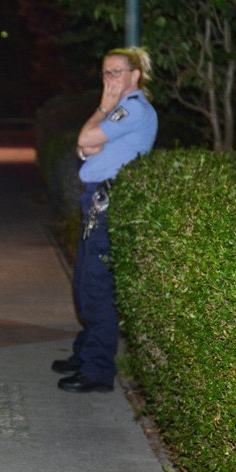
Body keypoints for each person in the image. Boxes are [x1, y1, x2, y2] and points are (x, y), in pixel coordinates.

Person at [53, 47, 158, 393]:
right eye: (105, 73)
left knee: (96, 287)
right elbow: (84, 150)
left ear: (135, 75)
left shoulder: (130, 109)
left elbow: (85, 139)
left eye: (117, 72)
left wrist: (102, 107)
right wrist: (95, 133)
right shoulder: (118, 110)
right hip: (97, 200)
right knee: (85, 282)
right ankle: (85, 355)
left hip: (107, 202)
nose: (110, 79)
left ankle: (97, 371)